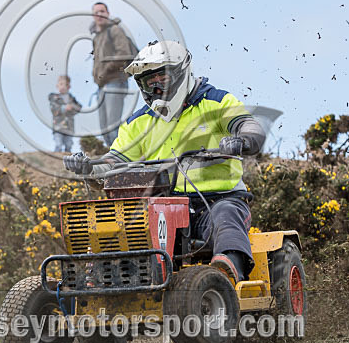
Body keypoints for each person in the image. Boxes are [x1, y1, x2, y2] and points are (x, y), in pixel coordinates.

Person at [64, 41, 266, 282]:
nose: (156, 85)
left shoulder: (217, 102)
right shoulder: (136, 123)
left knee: (225, 216)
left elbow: (249, 125)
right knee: (120, 224)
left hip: (217, 200)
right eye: (150, 81)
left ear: (181, 73)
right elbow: (113, 162)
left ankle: (225, 273)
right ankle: (100, 279)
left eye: (162, 77)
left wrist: (242, 140)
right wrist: (89, 168)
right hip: (163, 207)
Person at [90, 2, 138, 147]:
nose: (99, 14)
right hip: (102, 85)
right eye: (96, 12)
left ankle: (123, 158)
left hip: (116, 81)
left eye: (102, 11)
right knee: (105, 128)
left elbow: (123, 53)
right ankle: (114, 160)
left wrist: (105, 72)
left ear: (108, 13)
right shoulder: (97, 37)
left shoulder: (115, 30)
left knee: (113, 125)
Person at [48, 75, 82, 152]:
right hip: (58, 127)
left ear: (69, 86)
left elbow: (79, 108)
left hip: (69, 127)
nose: (63, 86)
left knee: (69, 145)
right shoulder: (54, 98)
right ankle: (56, 160)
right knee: (58, 144)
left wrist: (72, 107)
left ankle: (67, 161)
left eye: (65, 85)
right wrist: (63, 108)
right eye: (61, 84)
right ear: (57, 86)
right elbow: (53, 109)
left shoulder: (72, 99)